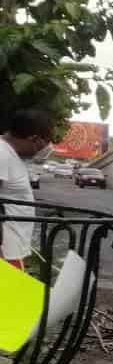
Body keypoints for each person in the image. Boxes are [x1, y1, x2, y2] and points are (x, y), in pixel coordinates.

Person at [1, 108, 55, 268]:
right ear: (34, 138)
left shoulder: (9, 153)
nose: (40, 151)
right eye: (42, 146)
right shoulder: (2, 153)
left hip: (12, 249)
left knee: (16, 293)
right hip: (6, 252)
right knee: (12, 293)